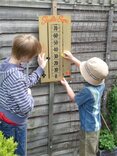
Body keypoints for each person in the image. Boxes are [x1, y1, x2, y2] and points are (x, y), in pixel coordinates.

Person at [0, 34, 47, 156]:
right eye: (31, 57)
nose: (31, 59)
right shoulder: (16, 76)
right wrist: (29, 95)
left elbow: (25, 83)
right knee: (18, 153)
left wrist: (40, 68)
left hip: (5, 116)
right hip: (14, 124)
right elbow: (27, 107)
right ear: (25, 56)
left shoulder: (5, 65)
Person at [60, 51, 109, 156]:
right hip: (96, 126)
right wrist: (73, 59)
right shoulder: (102, 84)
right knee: (92, 150)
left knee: (86, 153)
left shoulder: (88, 91)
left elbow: (73, 98)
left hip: (88, 128)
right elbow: (92, 73)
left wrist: (66, 85)